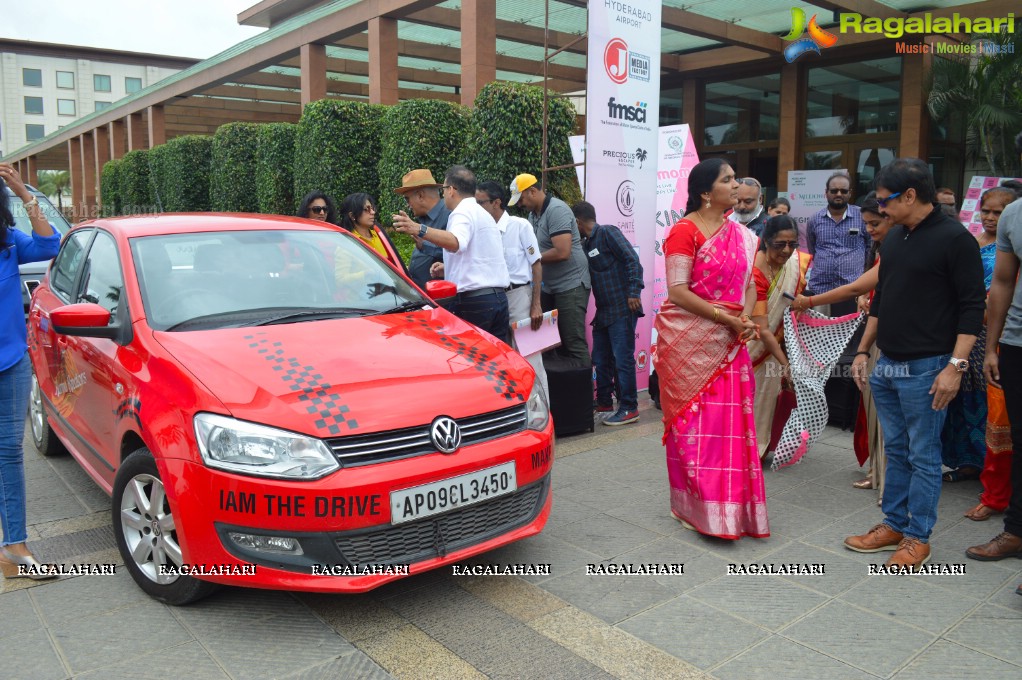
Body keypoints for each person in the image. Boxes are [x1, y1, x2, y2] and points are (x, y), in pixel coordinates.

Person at [844, 158, 985, 569]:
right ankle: (893, 524)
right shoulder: (895, 239)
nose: (880, 210)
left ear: (910, 195)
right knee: (898, 450)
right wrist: (865, 350)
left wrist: (954, 368)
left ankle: (917, 537)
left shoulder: (955, 239)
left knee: (924, 455)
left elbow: (972, 307)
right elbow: (883, 299)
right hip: (889, 363)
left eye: (886, 201)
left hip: (930, 365)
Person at [654, 158, 767, 540]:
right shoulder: (684, 231)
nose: (737, 185)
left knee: (729, 428)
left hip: (731, 342)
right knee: (693, 426)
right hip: (688, 341)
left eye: (736, 179)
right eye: (728, 180)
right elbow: (677, 291)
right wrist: (727, 319)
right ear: (706, 192)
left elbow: (750, 285)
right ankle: (696, 506)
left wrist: (746, 319)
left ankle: (731, 508)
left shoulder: (744, 236)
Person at [792, 194, 893, 496]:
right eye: (866, 225)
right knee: (874, 410)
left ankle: (889, 484)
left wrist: (809, 301)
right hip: (879, 336)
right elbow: (869, 293)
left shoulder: (899, 248)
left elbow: (856, 287)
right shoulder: (886, 248)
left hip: (893, 342)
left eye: (875, 224)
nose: (870, 231)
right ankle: (879, 474)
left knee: (887, 416)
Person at [0, 163, 61, 580]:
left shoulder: (7, 243)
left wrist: (25, 195)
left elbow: (49, 244)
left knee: (9, 453)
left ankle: (15, 548)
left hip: (11, 361)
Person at [941, 188, 1018, 483]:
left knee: (991, 402)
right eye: (985, 211)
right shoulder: (970, 243)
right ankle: (967, 461)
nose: (989, 217)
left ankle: (994, 469)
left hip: (995, 332)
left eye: (997, 213)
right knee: (962, 399)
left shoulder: (1010, 248)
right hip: (963, 332)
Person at [967, 165, 1022, 568]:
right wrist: (992, 348)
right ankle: (1016, 530)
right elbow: (1002, 282)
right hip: (1013, 342)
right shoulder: (1015, 216)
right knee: (1016, 436)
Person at [394, 166, 511, 343]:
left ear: (451, 190)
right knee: (495, 361)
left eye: (444, 190)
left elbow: (456, 241)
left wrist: (419, 229)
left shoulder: (461, 212)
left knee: (473, 361)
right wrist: (448, 268)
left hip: (474, 302)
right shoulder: (483, 214)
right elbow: (479, 257)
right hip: (497, 300)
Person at [571, 201, 644, 426]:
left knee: (622, 359)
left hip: (623, 307)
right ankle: (604, 403)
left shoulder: (608, 232)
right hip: (604, 312)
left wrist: (634, 292)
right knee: (600, 359)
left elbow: (633, 260)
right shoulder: (585, 245)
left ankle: (629, 407)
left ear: (578, 222)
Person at [475, 180, 548, 399]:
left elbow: (536, 264)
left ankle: (543, 414)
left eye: (481, 203)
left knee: (531, 359)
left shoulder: (520, 226)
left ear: (496, 203)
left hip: (520, 297)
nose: (477, 208)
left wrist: (536, 305)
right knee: (503, 360)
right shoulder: (480, 230)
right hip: (493, 299)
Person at [509, 173, 591, 364]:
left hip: (571, 284)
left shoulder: (557, 210)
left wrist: (529, 260)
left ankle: (584, 393)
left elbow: (563, 252)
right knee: (550, 343)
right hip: (549, 286)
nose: (520, 204)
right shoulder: (533, 214)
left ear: (533, 191)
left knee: (573, 341)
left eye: (521, 199)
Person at [746, 214, 808, 459]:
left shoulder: (794, 264)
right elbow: (761, 328)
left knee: (769, 396)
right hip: (753, 344)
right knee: (752, 395)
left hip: (779, 342)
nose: (787, 251)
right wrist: (785, 364)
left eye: (792, 244)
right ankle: (748, 448)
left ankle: (763, 444)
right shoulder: (755, 270)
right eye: (779, 244)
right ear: (766, 241)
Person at [805, 173, 870, 312]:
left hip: (851, 291)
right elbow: (813, 251)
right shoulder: (814, 220)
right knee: (820, 332)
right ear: (826, 193)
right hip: (821, 290)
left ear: (850, 193)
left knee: (850, 333)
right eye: (834, 191)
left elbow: (870, 250)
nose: (838, 194)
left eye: (844, 191)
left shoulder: (862, 217)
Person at [392, 170, 451, 289]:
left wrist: (424, 245)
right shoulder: (423, 218)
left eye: (407, 199)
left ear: (420, 195)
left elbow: (457, 250)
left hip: (442, 300)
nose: (408, 205)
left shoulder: (450, 216)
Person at [337, 192, 405, 271]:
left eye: (372, 208)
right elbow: (341, 280)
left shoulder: (379, 234)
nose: (373, 212)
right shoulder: (347, 243)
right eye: (367, 209)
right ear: (352, 216)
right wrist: (366, 274)